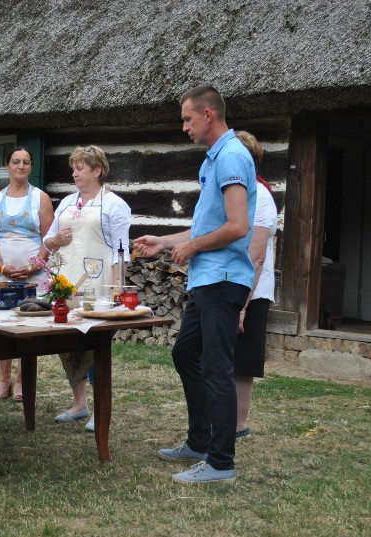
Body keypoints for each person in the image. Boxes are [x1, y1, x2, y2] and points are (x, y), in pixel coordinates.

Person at [134, 86, 256, 484]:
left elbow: (238, 227)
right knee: (187, 355)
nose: (184, 127)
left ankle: (221, 463)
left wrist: (191, 246)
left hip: (223, 279)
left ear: (208, 114)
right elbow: (208, 226)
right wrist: (165, 241)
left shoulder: (233, 155)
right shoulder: (215, 158)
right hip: (208, 280)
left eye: (187, 119)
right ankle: (199, 441)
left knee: (217, 368)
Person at [42, 145, 131, 432]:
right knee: (68, 345)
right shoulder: (67, 202)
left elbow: (121, 251)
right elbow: (47, 240)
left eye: (80, 168)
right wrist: (56, 240)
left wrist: (117, 288)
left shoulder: (115, 204)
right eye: (74, 167)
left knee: (94, 344)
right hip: (66, 283)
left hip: (97, 284)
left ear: (97, 170)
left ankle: (99, 408)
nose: (74, 173)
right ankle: (79, 404)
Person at [0, 146, 54, 402]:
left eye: (26, 162)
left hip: (33, 276)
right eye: (16, 161)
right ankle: (4, 379)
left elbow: (49, 238)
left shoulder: (40, 198)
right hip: (1, 274)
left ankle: (22, 381)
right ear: (8, 166)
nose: (21, 166)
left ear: (31, 167)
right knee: (2, 327)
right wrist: (2, 267)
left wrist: (35, 266)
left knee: (27, 326)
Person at [233, 131, 279, 441]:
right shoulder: (240, 194)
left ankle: (238, 425)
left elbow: (257, 257)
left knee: (243, 360)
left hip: (251, 290)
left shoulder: (260, 197)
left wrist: (242, 305)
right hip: (234, 286)